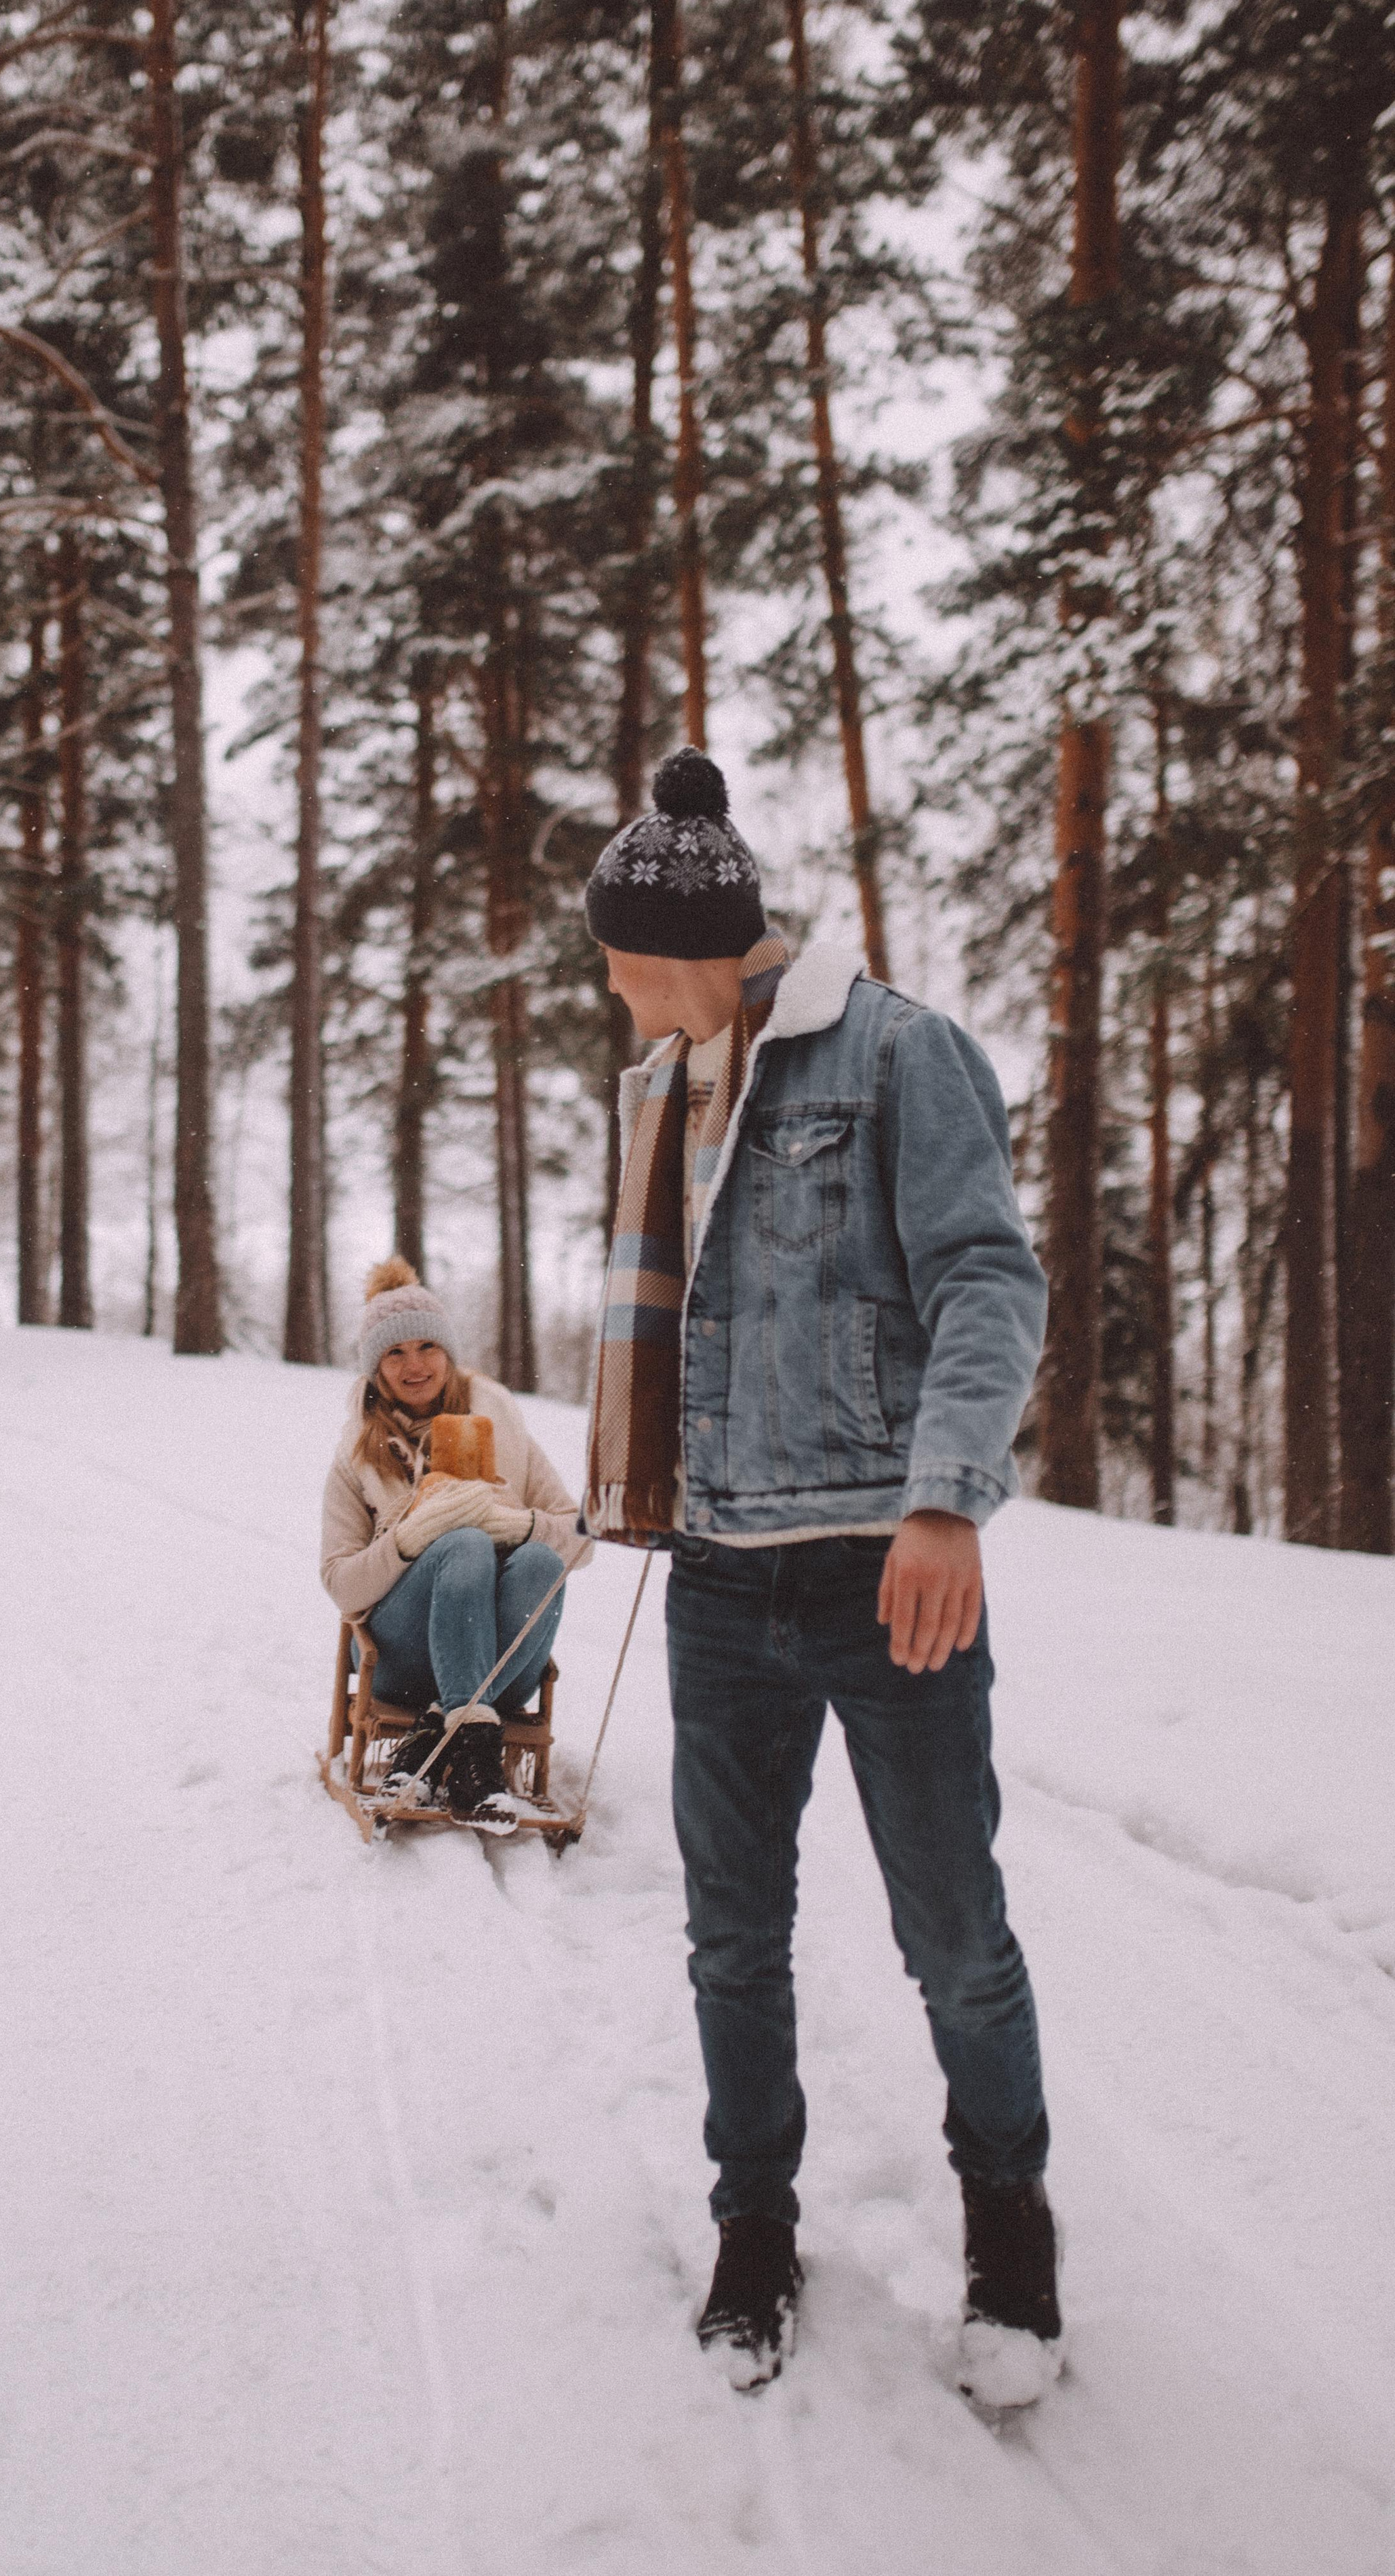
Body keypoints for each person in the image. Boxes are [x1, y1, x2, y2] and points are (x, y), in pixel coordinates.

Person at [582, 747, 1059, 2407]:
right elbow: (677, 1332)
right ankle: (751, 2228)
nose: (613, 988)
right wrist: (627, 1493)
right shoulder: (657, 1086)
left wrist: (942, 1504)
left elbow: (987, 1281)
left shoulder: (894, 1052)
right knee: (730, 1935)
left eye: (625, 958)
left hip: (882, 1568)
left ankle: (1007, 2226)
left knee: (952, 1932)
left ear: (697, 944)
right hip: (719, 1581)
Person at [321, 1258, 591, 1836]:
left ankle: (448, 1731)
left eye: (427, 1347)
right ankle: (471, 1755)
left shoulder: (502, 1424)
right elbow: (340, 1584)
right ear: (375, 1368)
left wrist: (518, 1527)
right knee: (462, 1543)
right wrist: (410, 1539)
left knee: (543, 1558)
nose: (414, 1365)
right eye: (395, 1353)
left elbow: (580, 1537)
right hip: (401, 1658)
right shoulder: (356, 1456)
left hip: (502, 1657)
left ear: (448, 1349)